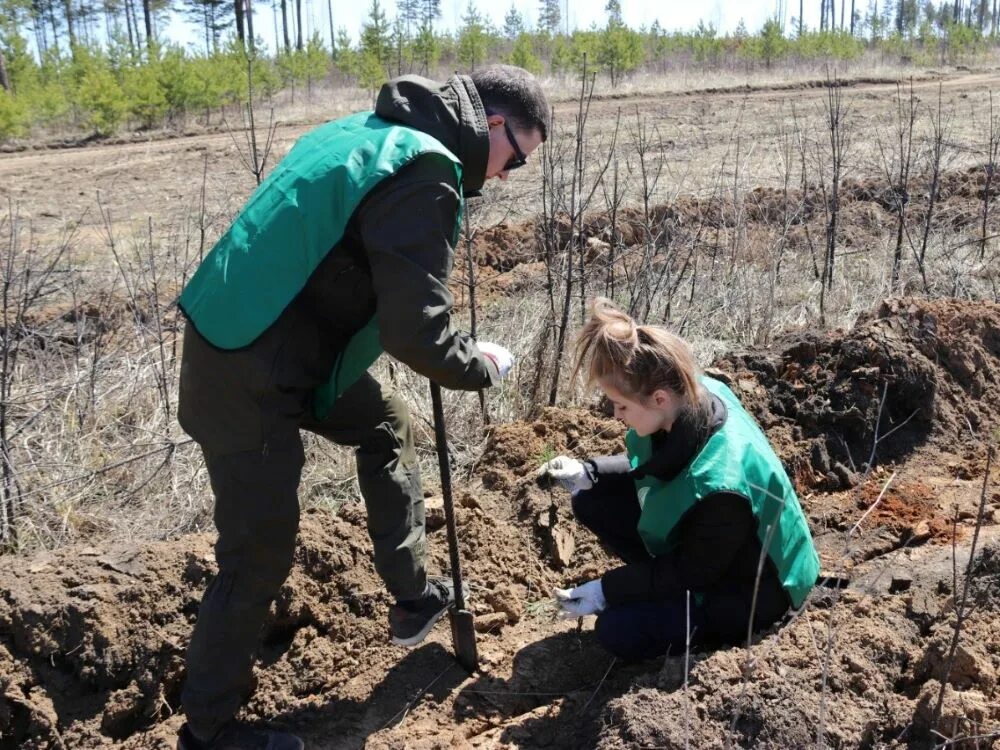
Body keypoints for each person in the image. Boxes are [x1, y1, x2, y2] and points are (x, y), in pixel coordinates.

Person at [175, 65, 549, 750]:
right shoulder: (427, 168)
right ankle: (209, 726)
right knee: (258, 549)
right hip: (246, 367)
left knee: (385, 422)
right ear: (493, 125)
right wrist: (476, 365)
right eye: (515, 159)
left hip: (279, 343)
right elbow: (415, 332)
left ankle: (414, 599)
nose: (504, 177)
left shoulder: (371, 132)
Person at [538, 298, 819, 662]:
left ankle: (699, 629)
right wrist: (590, 472)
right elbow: (660, 462)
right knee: (591, 497)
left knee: (615, 630)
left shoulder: (721, 490)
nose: (615, 414)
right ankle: (656, 592)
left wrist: (607, 590)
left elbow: (693, 570)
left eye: (621, 406)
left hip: (755, 591)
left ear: (658, 398)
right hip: (716, 550)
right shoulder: (689, 394)